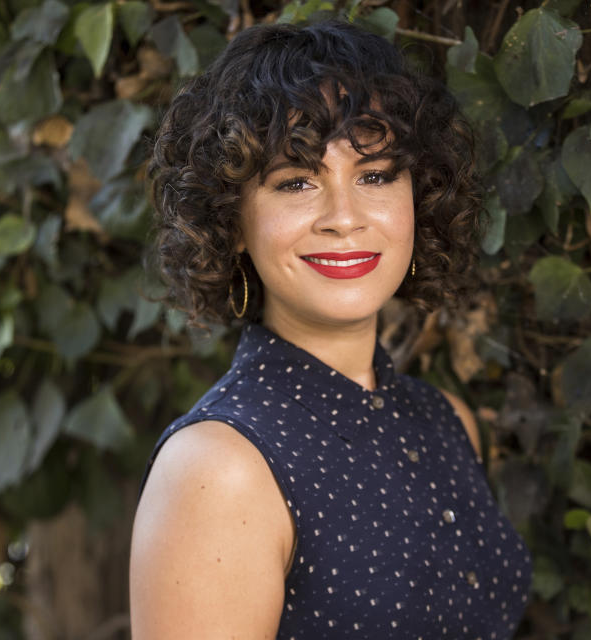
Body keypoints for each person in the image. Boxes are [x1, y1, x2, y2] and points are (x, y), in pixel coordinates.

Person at [130, 20, 531, 639]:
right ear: (232, 221)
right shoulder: (216, 470)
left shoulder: (450, 422)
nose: (344, 218)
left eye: (374, 175)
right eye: (296, 182)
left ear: (417, 196)